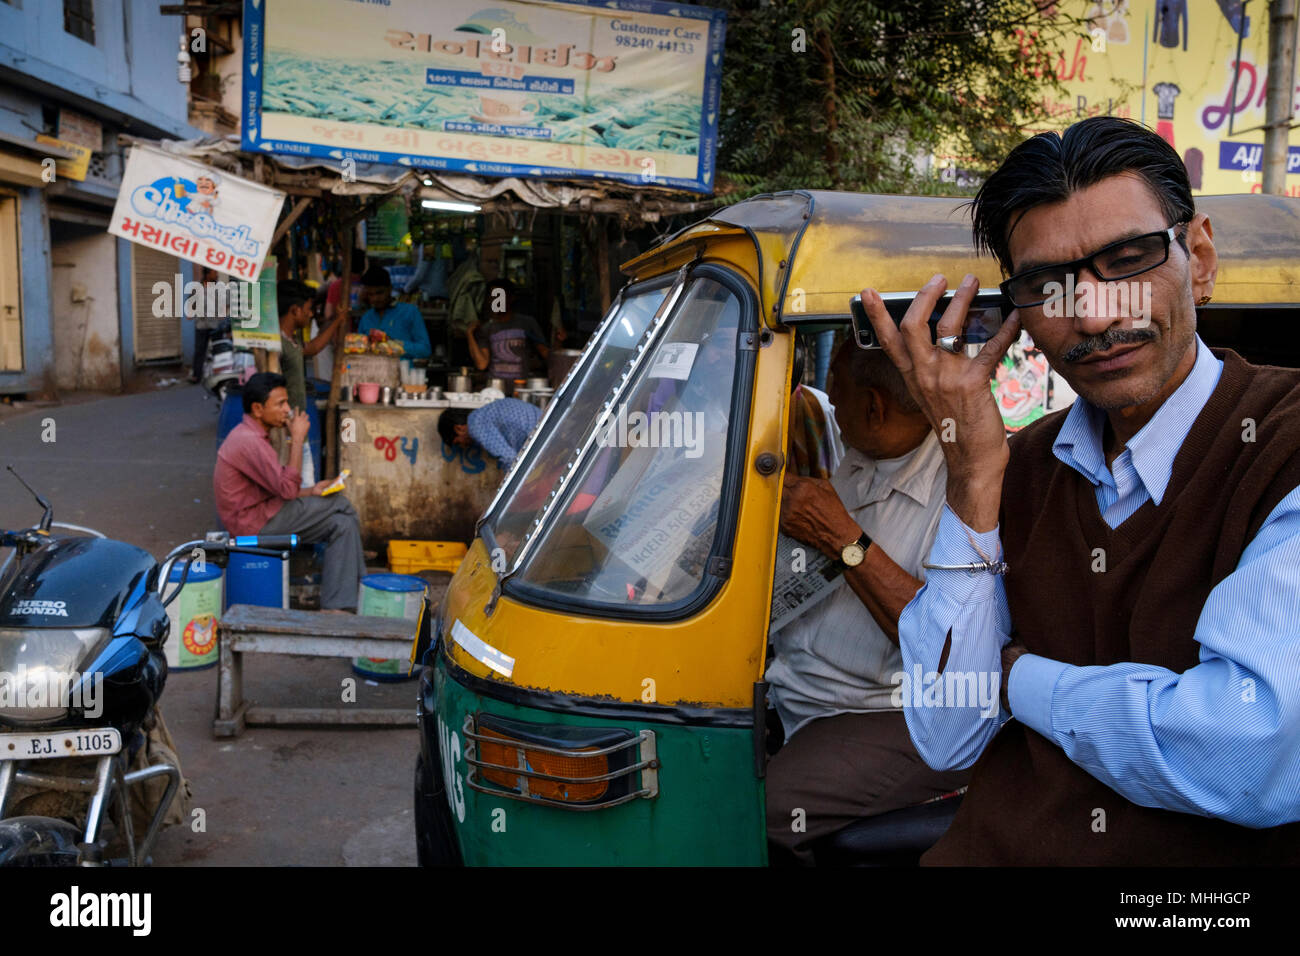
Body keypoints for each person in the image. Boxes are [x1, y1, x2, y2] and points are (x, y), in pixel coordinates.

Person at [862, 116, 1300, 865]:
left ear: (1197, 256)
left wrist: (1019, 678)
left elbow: (1246, 749)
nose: (1094, 315)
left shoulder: (1281, 444)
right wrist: (972, 476)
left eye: (1128, 259)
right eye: (1048, 285)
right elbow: (947, 735)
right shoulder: (1016, 467)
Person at [765, 339, 968, 864]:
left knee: (751, 810)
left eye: (836, 388)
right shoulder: (860, 456)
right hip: (793, 685)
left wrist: (845, 539)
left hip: (880, 712)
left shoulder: (962, 494)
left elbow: (949, 647)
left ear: (874, 406)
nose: (828, 401)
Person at [214, 372, 364, 612]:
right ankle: (364, 585)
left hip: (266, 512)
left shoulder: (252, 436)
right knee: (341, 504)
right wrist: (296, 439)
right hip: (255, 523)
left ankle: (339, 605)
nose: (287, 410)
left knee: (342, 523)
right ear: (257, 408)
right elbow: (286, 489)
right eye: (280, 404)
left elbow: (281, 488)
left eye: (286, 402)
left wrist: (312, 490)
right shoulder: (248, 441)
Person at [465, 278, 548, 380]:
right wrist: (469, 334)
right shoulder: (486, 329)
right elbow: (482, 364)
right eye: (492, 297)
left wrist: (558, 342)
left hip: (520, 389)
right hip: (495, 390)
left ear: (511, 297)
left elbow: (546, 354)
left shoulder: (527, 323)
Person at [438, 397, 541, 470]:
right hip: (546, 425)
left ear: (458, 429)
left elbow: (509, 458)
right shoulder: (481, 415)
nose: (463, 446)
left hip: (539, 437)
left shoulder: (476, 426)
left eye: (458, 442)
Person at [357, 264, 431, 359]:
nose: (375, 298)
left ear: (390, 289)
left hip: (402, 372)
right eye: (370, 294)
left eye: (379, 293)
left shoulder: (410, 312)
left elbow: (425, 350)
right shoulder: (366, 318)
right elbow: (359, 351)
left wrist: (393, 344)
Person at [190, 267, 226, 384]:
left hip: (215, 324)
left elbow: (225, 303)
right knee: (200, 350)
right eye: (214, 272)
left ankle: (220, 374)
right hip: (201, 324)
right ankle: (196, 375)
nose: (217, 275)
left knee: (218, 349)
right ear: (207, 274)